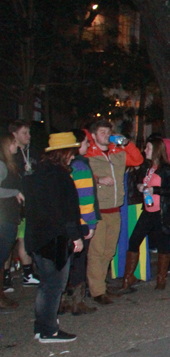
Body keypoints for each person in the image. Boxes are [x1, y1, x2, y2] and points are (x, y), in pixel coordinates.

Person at [22, 132, 84, 343]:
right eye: (71, 152)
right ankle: (48, 330)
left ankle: (43, 326)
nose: (73, 157)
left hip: (37, 236)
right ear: (64, 153)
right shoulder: (60, 177)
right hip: (54, 238)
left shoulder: (37, 174)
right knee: (54, 285)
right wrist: (75, 236)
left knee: (46, 284)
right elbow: (65, 211)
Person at [84, 119, 144, 304]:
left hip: (115, 209)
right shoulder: (88, 154)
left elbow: (138, 160)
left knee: (109, 251)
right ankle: (97, 291)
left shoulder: (117, 152)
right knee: (97, 251)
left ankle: (100, 284)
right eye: (102, 132)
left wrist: (126, 143)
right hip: (97, 210)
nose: (106, 135)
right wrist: (98, 179)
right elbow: (79, 174)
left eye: (108, 132)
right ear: (93, 135)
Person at [109, 137, 170, 294]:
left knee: (162, 245)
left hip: (161, 212)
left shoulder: (166, 169)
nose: (145, 150)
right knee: (134, 240)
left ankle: (161, 278)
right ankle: (128, 278)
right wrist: (141, 186)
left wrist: (156, 190)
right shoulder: (148, 167)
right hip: (148, 210)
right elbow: (140, 181)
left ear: (156, 150)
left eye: (148, 148)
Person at [60, 130, 99, 315]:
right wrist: (90, 223)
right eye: (85, 142)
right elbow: (85, 198)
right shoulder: (80, 166)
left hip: (62, 221)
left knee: (64, 261)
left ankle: (61, 300)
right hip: (79, 222)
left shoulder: (59, 166)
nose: (88, 145)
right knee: (79, 261)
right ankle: (77, 301)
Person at [6, 120, 39, 288]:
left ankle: (28, 273)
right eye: (24, 133)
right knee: (9, 241)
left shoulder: (32, 152)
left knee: (24, 238)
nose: (28, 136)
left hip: (29, 203)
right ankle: (5, 278)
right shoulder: (8, 156)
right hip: (11, 206)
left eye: (29, 132)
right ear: (14, 135)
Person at [0, 134, 23, 311]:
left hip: (8, 216)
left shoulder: (9, 164)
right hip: (4, 217)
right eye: (14, 142)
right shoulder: (2, 165)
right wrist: (14, 192)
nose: (16, 145)